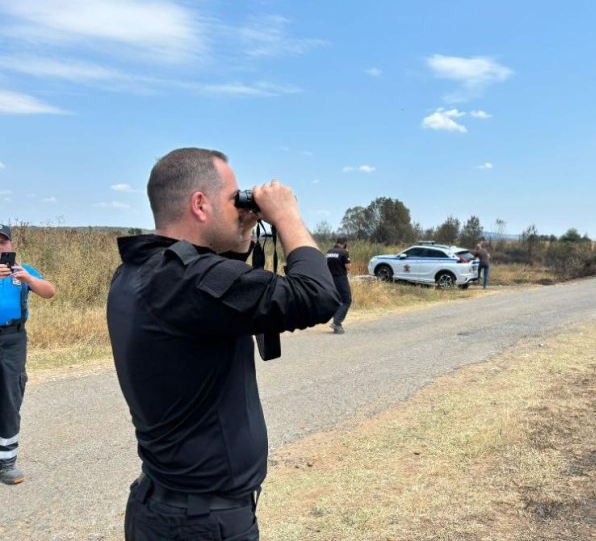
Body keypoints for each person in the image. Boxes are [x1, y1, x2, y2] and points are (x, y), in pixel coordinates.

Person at [107, 148, 340, 540]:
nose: (241, 206)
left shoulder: (140, 271)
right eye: (233, 199)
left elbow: (219, 281)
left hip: (162, 508)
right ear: (200, 203)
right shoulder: (189, 282)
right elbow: (316, 296)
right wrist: (286, 216)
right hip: (200, 523)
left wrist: (239, 230)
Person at [0, 224, 56, 485]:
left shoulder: (22, 272)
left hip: (13, 340)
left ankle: (6, 463)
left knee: (10, 397)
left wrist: (29, 279)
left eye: (3, 242)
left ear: (10, 245)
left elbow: (50, 291)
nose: (0, 247)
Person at [326, 236, 351, 334]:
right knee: (346, 300)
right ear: (345, 243)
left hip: (330, 279)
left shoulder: (329, 252)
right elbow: (348, 267)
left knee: (336, 300)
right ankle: (336, 322)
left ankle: (336, 323)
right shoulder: (344, 252)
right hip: (340, 279)